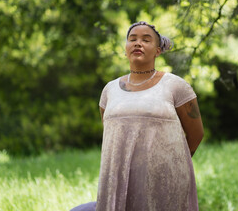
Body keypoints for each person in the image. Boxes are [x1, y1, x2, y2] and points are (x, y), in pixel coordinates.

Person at [71, 21, 204, 211]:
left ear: (158, 50)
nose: (137, 43)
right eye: (132, 39)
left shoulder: (175, 85)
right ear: (125, 49)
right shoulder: (109, 90)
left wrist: (170, 164)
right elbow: (112, 136)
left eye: (146, 39)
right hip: (118, 180)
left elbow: (196, 134)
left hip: (164, 180)